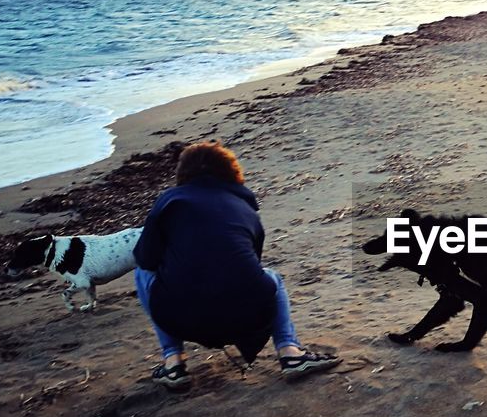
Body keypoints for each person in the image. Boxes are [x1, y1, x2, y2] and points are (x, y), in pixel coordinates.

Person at [133, 141, 339, 390]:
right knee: (270, 277)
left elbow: (145, 258)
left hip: (181, 317)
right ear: (232, 172)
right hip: (248, 317)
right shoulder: (247, 209)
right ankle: (290, 352)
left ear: (183, 173)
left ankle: (173, 361)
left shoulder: (169, 201)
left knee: (142, 271)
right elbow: (248, 267)